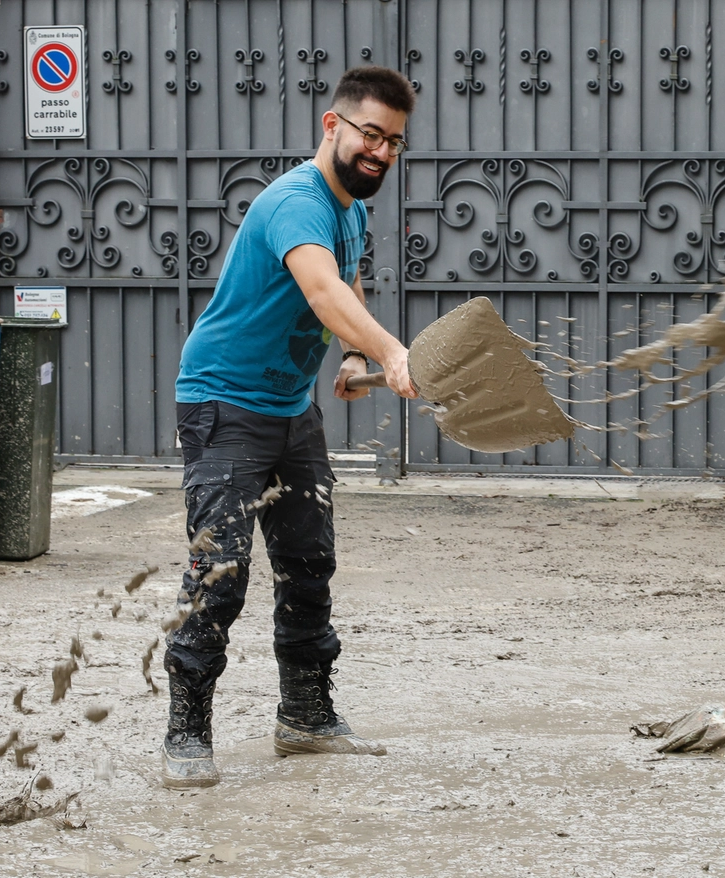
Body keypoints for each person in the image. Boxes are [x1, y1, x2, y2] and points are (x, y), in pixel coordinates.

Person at [164, 66, 419, 788]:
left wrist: (347, 351)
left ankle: (304, 717)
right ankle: (186, 733)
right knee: (221, 575)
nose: (381, 153)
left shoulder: (351, 210)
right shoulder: (296, 202)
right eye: (370, 134)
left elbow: (348, 277)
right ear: (332, 126)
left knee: (309, 564)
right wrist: (388, 350)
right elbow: (320, 285)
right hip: (223, 403)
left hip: (287, 407)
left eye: (394, 142)